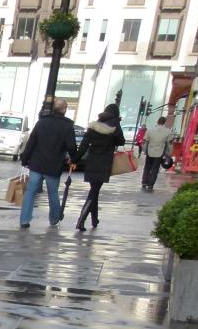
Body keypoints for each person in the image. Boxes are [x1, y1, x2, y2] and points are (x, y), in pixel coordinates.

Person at [19, 98, 78, 229]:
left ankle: (24, 220)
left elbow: (31, 142)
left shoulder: (41, 122)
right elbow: (72, 146)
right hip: (54, 165)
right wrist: (74, 159)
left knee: (30, 192)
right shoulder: (67, 126)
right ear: (65, 109)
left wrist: (25, 159)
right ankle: (54, 219)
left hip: (36, 164)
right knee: (53, 193)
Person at [73, 103, 126, 231]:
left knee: (94, 190)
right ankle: (81, 219)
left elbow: (84, 146)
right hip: (104, 163)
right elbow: (121, 141)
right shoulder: (115, 126)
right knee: (94, 192)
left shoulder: (94, 126)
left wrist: (75, 159)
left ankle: (94, 219)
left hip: (91, 162)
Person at [141, 116, 175, 191]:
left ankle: (144, 182)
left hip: (150, 151)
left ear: (157, 121)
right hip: (160, 152)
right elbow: (170, 144)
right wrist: (169, 153)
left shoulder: (150, 130)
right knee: (155, 169)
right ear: (164, 122)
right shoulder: (168, 132)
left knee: (147, 167)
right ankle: (151, 184)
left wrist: (145, 150)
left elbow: (145, 141)